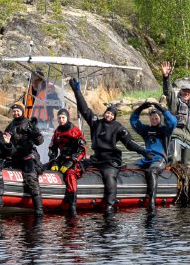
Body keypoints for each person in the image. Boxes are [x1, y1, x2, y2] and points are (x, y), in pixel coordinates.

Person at [69, 78, 149, 215]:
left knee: (109, 175)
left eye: (112, 114)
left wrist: (143, 151)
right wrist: (76, 91)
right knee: (76, 166)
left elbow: (129, 143)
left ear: (114, 117)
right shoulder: (96, 123)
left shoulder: (118, 127)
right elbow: (84, 110)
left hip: (111, 159)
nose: (109, 115)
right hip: (97, 158)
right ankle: (72, 200)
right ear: (104, 113)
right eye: (108, 112)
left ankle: (110, 205)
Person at [130, 101, 177, 213]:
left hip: (159, 159)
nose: (154, 120)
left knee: (152, 171)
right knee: (126, 167)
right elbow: (133, 121)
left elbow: (173, 121)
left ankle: (151, 203)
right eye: (152, 118)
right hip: (146, 158)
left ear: (160, 118)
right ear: (149, 119)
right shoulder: (145, 130)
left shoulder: (165, 129)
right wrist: (140, 108)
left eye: (156, 118)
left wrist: (161, 108)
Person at [4, 102, 45, 217]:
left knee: (30, 176)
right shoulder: (10, 126)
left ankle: (39, 208)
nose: (16, 113)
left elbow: (39, 141)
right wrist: (6, 143)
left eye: (18, 111)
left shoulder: (29, 124)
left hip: (29, 154)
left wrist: (34, 133)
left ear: (22, 111)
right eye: (14, 111)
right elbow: (6, 146)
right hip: (15, 156)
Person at [47, 108, 86, 217]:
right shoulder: (57, 131)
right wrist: (53, 160)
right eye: (59, 118)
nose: (61, 120)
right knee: (49, 168)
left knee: (70, 174)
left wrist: (72, 161)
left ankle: (73, 204)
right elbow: (52, 148)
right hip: (62, 158)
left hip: (74, 159)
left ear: (67, 118)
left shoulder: (75, 131)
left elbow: (82, 149)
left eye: (63, 117)